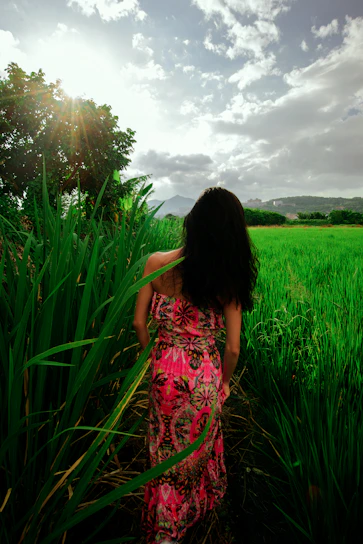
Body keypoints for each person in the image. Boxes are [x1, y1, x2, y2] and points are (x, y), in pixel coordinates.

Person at [133, 187, 259, 544]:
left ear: (193, 224)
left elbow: (139, 324)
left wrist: (155, 360)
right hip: (203, 378)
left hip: (163, 376)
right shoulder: (225, 280)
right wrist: (225, 384)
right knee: (194, 453)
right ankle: (188, 519)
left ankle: (163, 529)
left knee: (163, 453)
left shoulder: (156, 262)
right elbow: (232, 349)